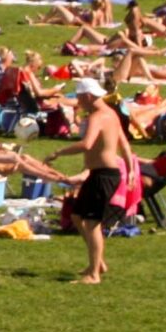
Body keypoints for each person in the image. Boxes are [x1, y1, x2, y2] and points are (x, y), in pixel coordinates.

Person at [42, 80, 132, 285]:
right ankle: (98, 263)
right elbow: (124, 144)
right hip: (101, 174)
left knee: (92, 224)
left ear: (88, 96)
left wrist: (58, 152)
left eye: (79, 97)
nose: (78, 101)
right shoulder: (112, 113)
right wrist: (131, 170)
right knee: (76, 216)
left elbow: (87, 144)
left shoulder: (97, 116)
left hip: (103, 175)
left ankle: (93, 275)